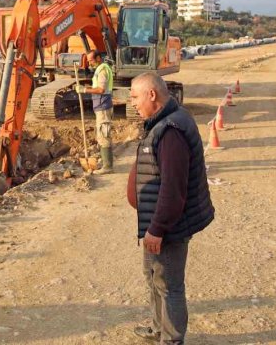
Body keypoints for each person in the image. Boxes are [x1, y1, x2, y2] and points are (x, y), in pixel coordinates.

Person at [126, 72, 214, 343]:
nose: (133, 104)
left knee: (169, 285)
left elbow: (173, 190)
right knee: (153, 276)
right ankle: (158, 329)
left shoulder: (170, 131)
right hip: (157, 221)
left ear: (152, 95)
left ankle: (172, 339)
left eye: (135, 97)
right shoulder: (164, 121)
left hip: (168, 226)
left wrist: (157, 229)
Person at [76, 50, 115, 174]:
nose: (89, 63)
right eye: (88, 61)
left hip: (103, 107)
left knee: (104, 135)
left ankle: (108, 166)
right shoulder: (99, 70)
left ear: (98, 58)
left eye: (91, 60)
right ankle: (105, 163)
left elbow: (101, 90)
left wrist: (84, 90)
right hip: (101, 107)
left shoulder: (102, 70)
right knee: (101, 134)